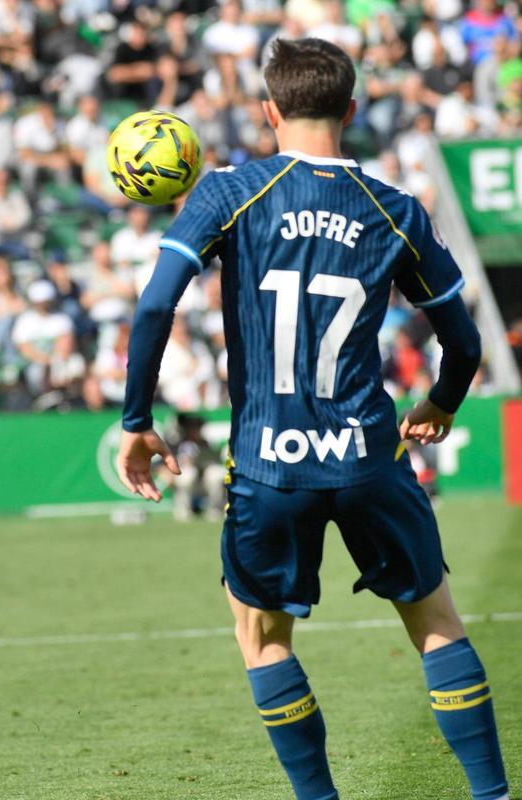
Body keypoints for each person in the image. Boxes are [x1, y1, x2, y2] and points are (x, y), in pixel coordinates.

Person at [116, 38, 508, 800]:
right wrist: (442, 401)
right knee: (436, 625)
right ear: (352, 111)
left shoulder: (228, 194)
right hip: (369, 455)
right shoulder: (396, 211)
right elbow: (463, 341)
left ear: (268, 112)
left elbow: (157, 303)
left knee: (261, 640)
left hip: (269, 463)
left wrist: (137, 417)